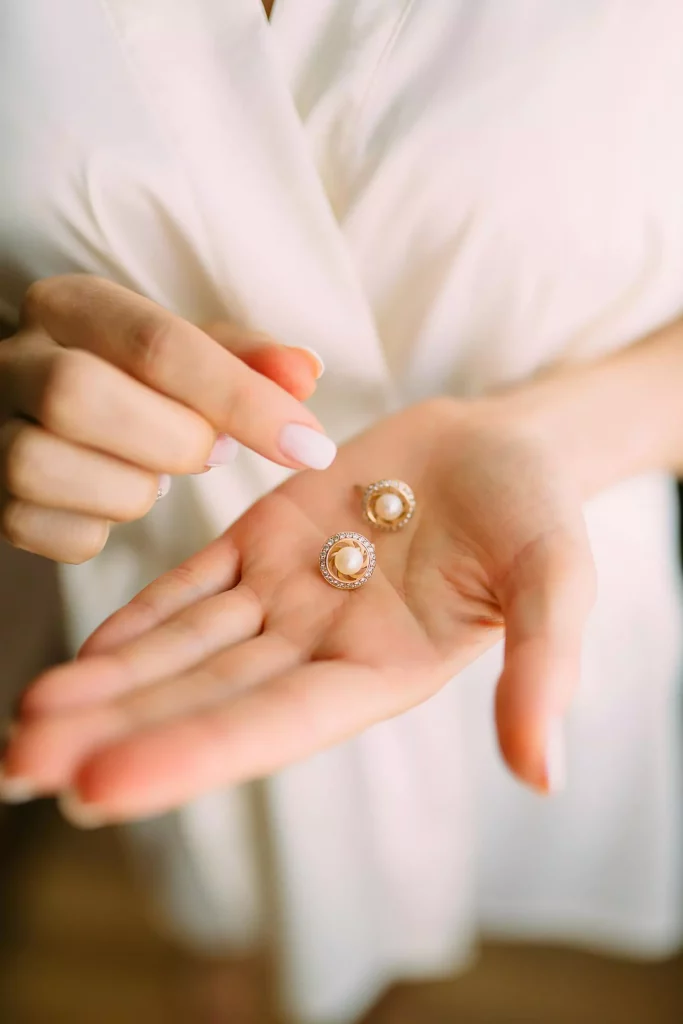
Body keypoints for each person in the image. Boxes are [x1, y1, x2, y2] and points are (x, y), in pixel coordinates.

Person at [1, 2, 682, 1022]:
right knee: (247, 911)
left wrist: (554, 435)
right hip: (196, 612)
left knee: (453, 886)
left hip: (535, 561)